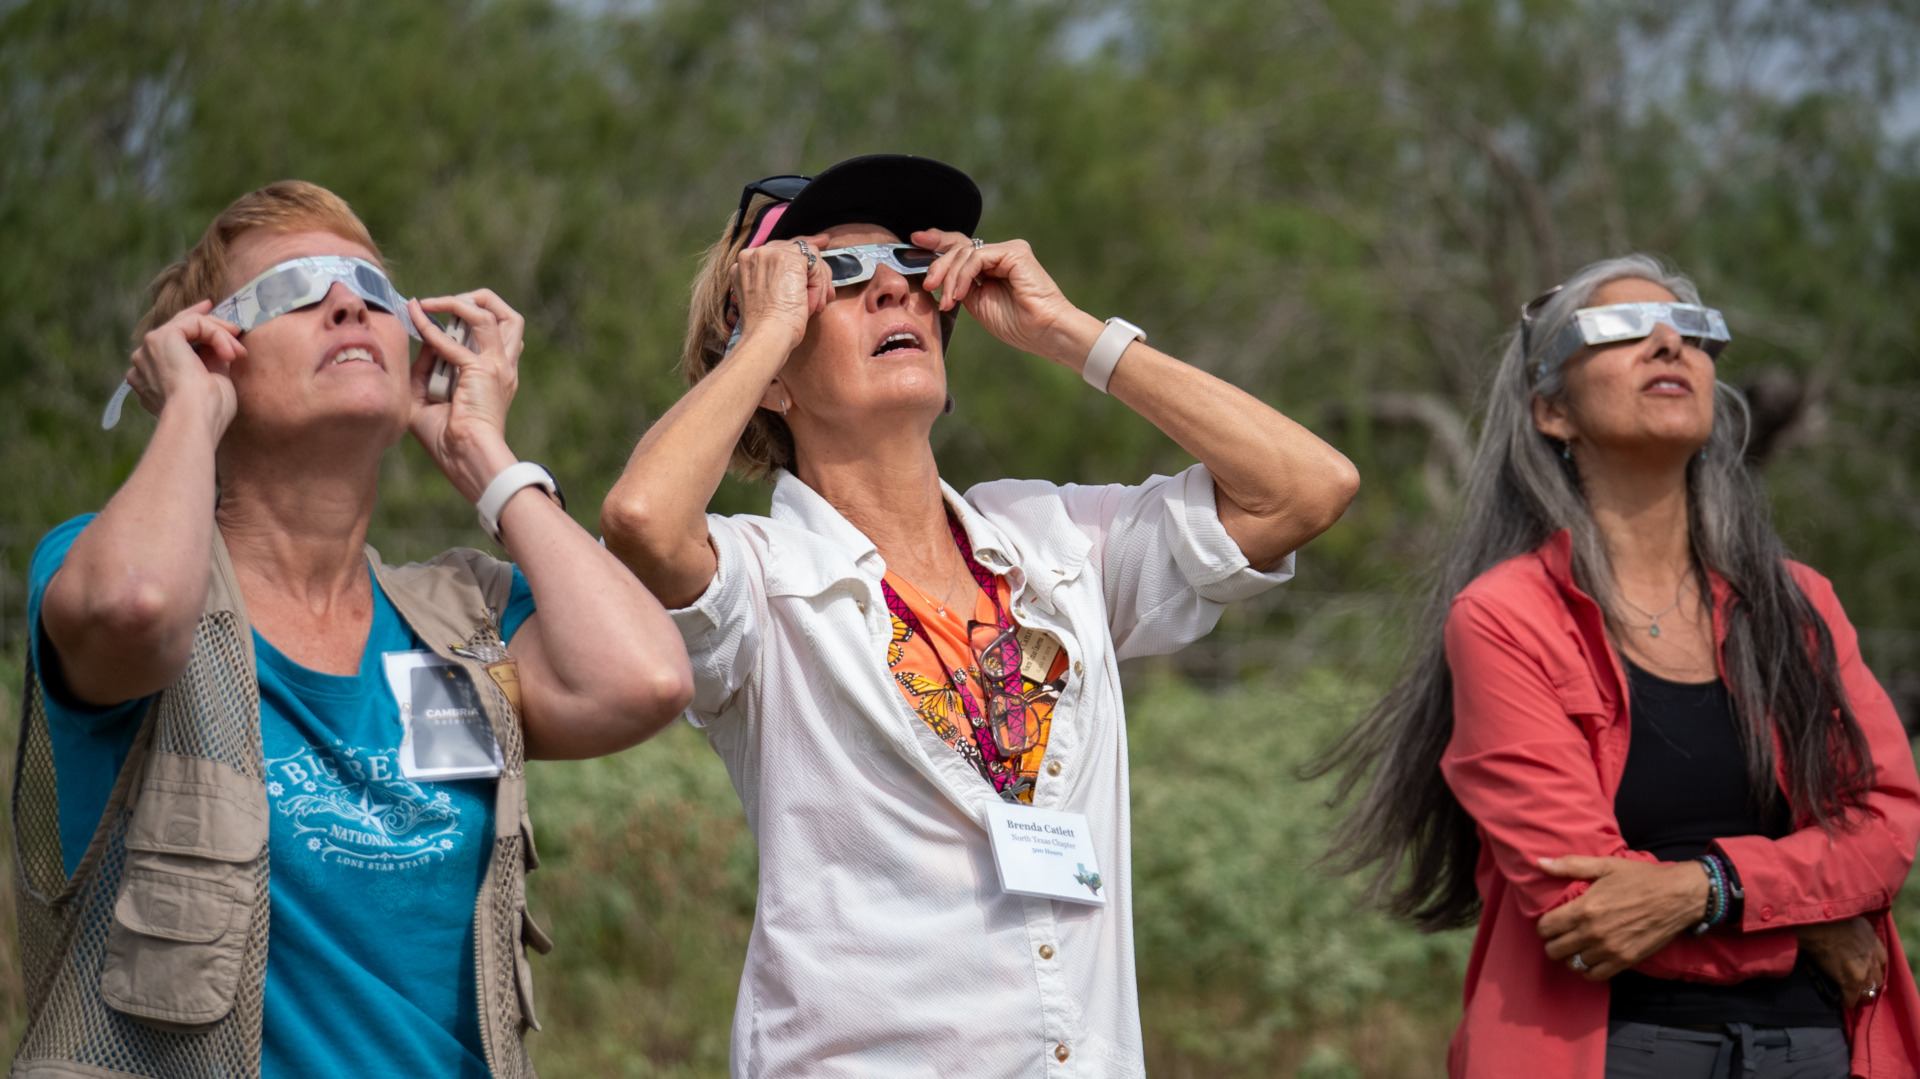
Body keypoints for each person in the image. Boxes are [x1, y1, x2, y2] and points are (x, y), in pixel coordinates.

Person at [599, 154, 1358, 1075]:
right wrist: (758, 339)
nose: (894, 290)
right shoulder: (760, 578)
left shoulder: (1050, 540)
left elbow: (1307, 488)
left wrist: (1072, 334)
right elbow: (641, 518)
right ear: (771, 370)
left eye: (913, 272)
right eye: (834, 275)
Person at [11, 180, 694, 1078]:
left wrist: (482, 453)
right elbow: (136, 607)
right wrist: (187, 409)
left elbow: (646, 679)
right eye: (294, 292)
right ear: (215, 353)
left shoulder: (458, 622)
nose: (346, 303)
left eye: (373, 292)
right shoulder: (102, 567)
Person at [1313, 254, 1920, 1077]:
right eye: (1620, 329)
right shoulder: (1505, 619)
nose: (1668, 340)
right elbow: (1586, 910)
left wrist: (1709, 889)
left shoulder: (1800, 604)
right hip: (1616, 1050)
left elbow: (1884, 822)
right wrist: (1805, 920)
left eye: (1693, 331)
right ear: (1551, 411)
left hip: (1817, 1048)